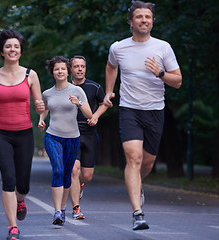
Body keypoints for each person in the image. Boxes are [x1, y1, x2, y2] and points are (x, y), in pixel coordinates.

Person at [103, 1, 182, 231]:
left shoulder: (163, 48)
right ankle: (138, 213)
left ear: (152, 21)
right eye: (139, 17)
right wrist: (109, 90)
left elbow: (177, 81)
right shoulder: (118, 48)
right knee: (133, 158)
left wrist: (159, 73)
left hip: (155, 110)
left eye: (148, 16)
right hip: (129, 110)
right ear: (131, 22)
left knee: (147, 163)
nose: (144, 20)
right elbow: (111, 67)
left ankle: (138, 186)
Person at [0, 30, 45, 240]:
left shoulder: (30, 75)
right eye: (8, 46)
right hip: (1, 134)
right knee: (9, 180)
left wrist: (41, 108)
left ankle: (20, 200)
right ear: (2, 52)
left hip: (24, 134)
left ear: (20, 50)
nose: (12, 49)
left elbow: (39, 104)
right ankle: (12, 227)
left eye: (16, 46)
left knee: (23, 185)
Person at [38, 56, 92, 226]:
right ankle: (56, 211)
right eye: (56, 69)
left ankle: (62, 209)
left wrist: (79, 103)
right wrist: (41, 119)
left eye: (63, 69)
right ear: (52, 72)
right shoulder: (47, 93)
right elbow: (45, 108)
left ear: (68, 71)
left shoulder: (77, 91)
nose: (60, 71)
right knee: (58, 170)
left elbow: (90, 114)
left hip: (73, 138)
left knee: (67, 175)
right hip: (53, 136)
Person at [69, 55, 108, 220]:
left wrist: (96, 116)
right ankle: (76, 208)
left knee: (87, 175)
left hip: (90, 134)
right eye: (76, 66)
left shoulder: (95, 87)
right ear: (70, 69)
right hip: (71, 134)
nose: (79, 69)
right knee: (73, 170)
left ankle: (80, 186)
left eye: (82, 66)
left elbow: (104, 103)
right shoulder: (64, 87)